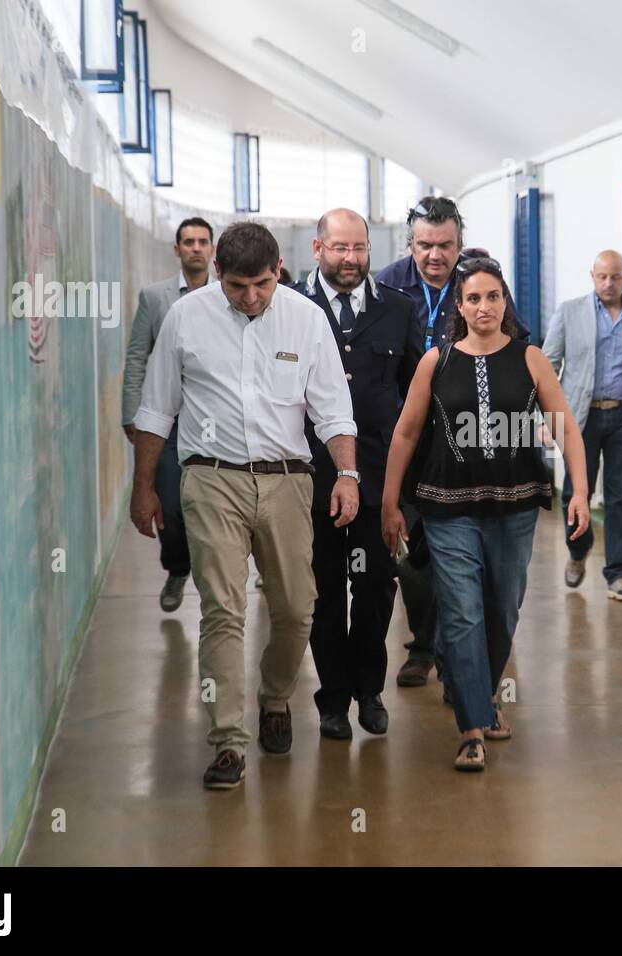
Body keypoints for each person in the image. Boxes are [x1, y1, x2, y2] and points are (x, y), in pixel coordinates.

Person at [130, 222, 359, 789]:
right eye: (236, 286)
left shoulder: (306, 319)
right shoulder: (187, 317)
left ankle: (275, 697)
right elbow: (157, 408)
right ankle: (228, 741)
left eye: (260, 284)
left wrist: (347, 474)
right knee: (223, 612)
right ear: (218, 275)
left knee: (296, 610)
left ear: (278, 268)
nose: (250, 297)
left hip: (287, 480)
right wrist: (143, 486)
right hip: (211, 480)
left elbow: (332, 408)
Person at [382, 257, 589, 772]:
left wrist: (580, 491)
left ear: (504, 303)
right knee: (463, 612)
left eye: (492, 297)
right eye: (473, 298)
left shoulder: (531, 358)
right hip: (449, 507)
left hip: (515, 508)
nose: (483, 307)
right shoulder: (438, 360)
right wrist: (390, 502)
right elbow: (406, 433)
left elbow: (565, 428)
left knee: (503, 611)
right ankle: (472, 726)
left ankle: (476, 689)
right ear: (459, 305)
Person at [375, 196, 527, 688]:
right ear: (409, 244)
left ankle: (464, 658)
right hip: (412, 440)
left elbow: (516, 346)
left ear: (460, 242)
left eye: (444, 245)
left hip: (472, 447)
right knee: (417, 556)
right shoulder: (387, 287)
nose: (435, 255)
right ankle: (424, 646)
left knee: (473, 556)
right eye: (424, 245)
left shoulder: (480, 283)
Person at [295, 209, 423, 740]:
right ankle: (331, 700)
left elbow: (417, 394)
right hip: (312, 480)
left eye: (359, 249)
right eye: (339, 248)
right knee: (322, 594)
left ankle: (369, 691)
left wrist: (412, 486)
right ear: (318, 249)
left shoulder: (399, 309)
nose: (350, 259)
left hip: (376, 481)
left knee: (374, 591)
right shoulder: (292, 309)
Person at [542, 249, 622, 601]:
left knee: (620, 496)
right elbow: (547, 367)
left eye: (615, 276)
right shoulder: (569, 313)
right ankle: (579, 551)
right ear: (592, 276)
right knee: (572, 495)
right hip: (579, 417)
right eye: (602, 276)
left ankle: (617, 575)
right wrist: (547, 420)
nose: (608, 283)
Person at [121, 216, 214, 612]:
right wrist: (132, 414)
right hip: (168, 423)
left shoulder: (227, 294)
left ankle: (220, 582)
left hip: (215, 420)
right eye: (188, 242)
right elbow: (137, 358)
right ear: (177, 249)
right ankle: (177, 567)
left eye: (202, 241)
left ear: (212, 248)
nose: (195, 247)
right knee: (171, 506)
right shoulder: (155, 298)